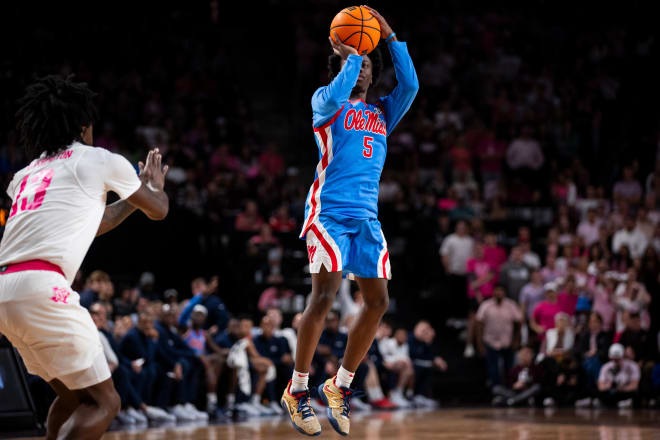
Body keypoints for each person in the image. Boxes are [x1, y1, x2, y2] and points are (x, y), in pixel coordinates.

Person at [0, 75, 169, 440]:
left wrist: (128, 205)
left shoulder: (26, 174)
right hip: (42, 287)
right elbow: (158, 210)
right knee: (105, 403)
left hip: (6, 290)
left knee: (74, 395)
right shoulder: (97, 159)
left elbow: (94, 222)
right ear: (84, 126)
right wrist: (153, 186)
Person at [281, 7, 418, 437]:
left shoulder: (381, 113)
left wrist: (389, 36)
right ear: (340, 66)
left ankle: (339, 386)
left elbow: (411, 84)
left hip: (367, 218)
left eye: (366, 67)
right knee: (324, 296)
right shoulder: (325, 101)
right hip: (328, 214)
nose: (361, 72)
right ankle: (298, 390)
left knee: (378, 303)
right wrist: (354, 54)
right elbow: (340, 92)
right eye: (353, 65)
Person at [475, 284, 522, 386]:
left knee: (509, 368)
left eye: (501, 291)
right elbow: (479, 325)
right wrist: (480, 344)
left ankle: (509, 390)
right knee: (493, 368)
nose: (499, 293)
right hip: (490, 341)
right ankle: (496, 391)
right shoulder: (486, 305)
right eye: (497, 290)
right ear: (493, 292)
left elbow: (518, 324)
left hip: (507, 341)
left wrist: (516, 340)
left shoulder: (511, 305)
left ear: (504, 292)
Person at [598, 343, 640, 408]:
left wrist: (623, 388)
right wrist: (608, 386)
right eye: (613, 359)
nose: (615, 361)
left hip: (625, 392)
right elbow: (600, 386)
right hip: (611, 393)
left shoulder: (632, 366)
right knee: (603, 394)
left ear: (623, 356)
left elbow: (635, 385)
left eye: (618, 359)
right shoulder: (606, 367)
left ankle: (624, 402)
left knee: (635, 393)